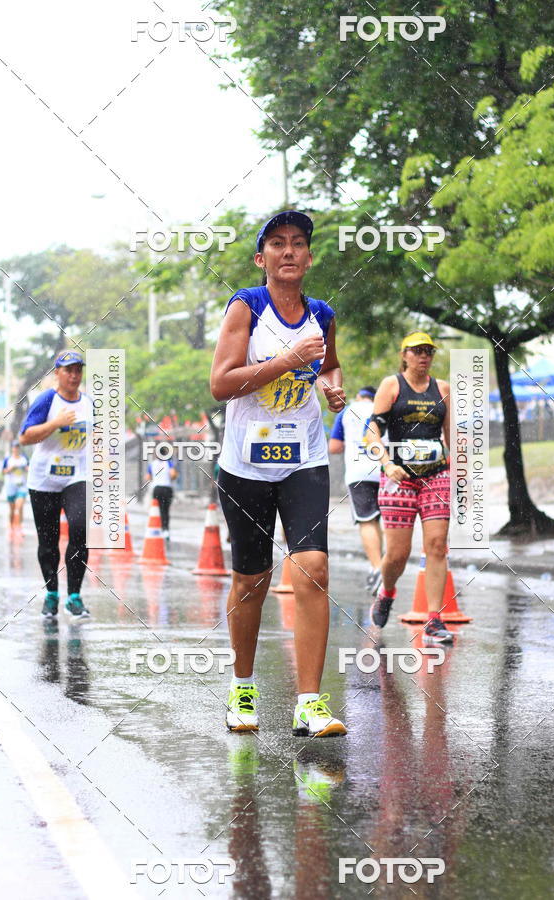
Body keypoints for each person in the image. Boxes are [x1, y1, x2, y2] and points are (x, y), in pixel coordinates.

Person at [210, 210, 347, 737]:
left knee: (313, 566)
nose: (288, 251)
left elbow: (328, 363)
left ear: (309, 257)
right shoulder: (246, 307)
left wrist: (330, 386)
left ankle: (309, 702)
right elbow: (221, 384)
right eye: (277, 244)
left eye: (298, 244)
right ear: (260, 258)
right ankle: (243, 688)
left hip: (305, 459)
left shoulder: (323, 313)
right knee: (252, 578)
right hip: (245, 463)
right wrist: (288, 359)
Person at [365, 332, 454, 644]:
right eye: (417, 351)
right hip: (398, 477)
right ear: (404, 355)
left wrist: (459, 471)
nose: (423, 356)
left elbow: (451, 436)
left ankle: (433, 619)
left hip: (435, 475)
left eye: (428, 351)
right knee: (398, 555)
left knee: (436, 545)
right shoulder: (392, 386)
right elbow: (372, 431)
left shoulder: (442, 389)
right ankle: (387, 591)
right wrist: (388, 463)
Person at [19, 351, 92, 619]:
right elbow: (26, 437)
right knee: (48, 541)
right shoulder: (47, 400)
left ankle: (74, 597)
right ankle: (52, 594)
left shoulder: (89, 404)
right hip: (44, 479)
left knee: (81, 529)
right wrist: (56, 423)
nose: (73, 375)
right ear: (57, 374)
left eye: (77, 370)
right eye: (68, 370)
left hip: (77, 477)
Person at [329, 386, 383, 592]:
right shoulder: (383, 407)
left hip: (358, 472)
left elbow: (334, 447)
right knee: (381, 519)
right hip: (385, 469)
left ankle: (377, 567)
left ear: (359, 396)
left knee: (366, 521)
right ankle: (381, 564)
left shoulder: (347, 410)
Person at [145, 446, 177, 539]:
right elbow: (173, 474)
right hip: (167, 488)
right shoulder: (168, 463)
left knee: (156, 510)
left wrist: (154, 479)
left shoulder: (152, 464)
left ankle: (155, 529)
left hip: (157, 489)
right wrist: (172, 478)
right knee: (165, 510)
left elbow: (147, 477)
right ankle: (165, 530)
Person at [2, 439, 29, 527]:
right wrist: (10, 469)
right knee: (12, 508)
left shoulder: (24, 458)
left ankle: (20, 526)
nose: (16, 449)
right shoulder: (8, 459)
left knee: (19, 505)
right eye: (14, 447)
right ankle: (11, 525)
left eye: (17, 447)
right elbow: (3, 471)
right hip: (11, 486)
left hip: (21, 485)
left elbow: (29, 468)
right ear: (12, 448)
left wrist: (25, 468)